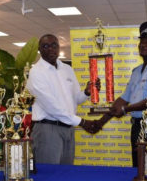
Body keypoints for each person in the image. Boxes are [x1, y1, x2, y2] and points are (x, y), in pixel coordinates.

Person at [95, 21, 147, 167]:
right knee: (138, 167)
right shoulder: (136, 71)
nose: (143, 45)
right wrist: (101, 121)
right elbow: (124, 99)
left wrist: (126, 110)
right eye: (141, 42)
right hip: (138, 126)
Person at [26, 34, 100, 165]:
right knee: (50, 176)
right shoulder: (36, 72)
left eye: (54, 45)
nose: (50, 49)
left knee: (66, 174)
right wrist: (82, 122)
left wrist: (87, 92)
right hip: (48, 129)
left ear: (59, 47)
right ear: (39, 50)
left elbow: (76, 99)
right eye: (45, 46)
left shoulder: (67, 69)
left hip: (69, 129)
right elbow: (52, 107)